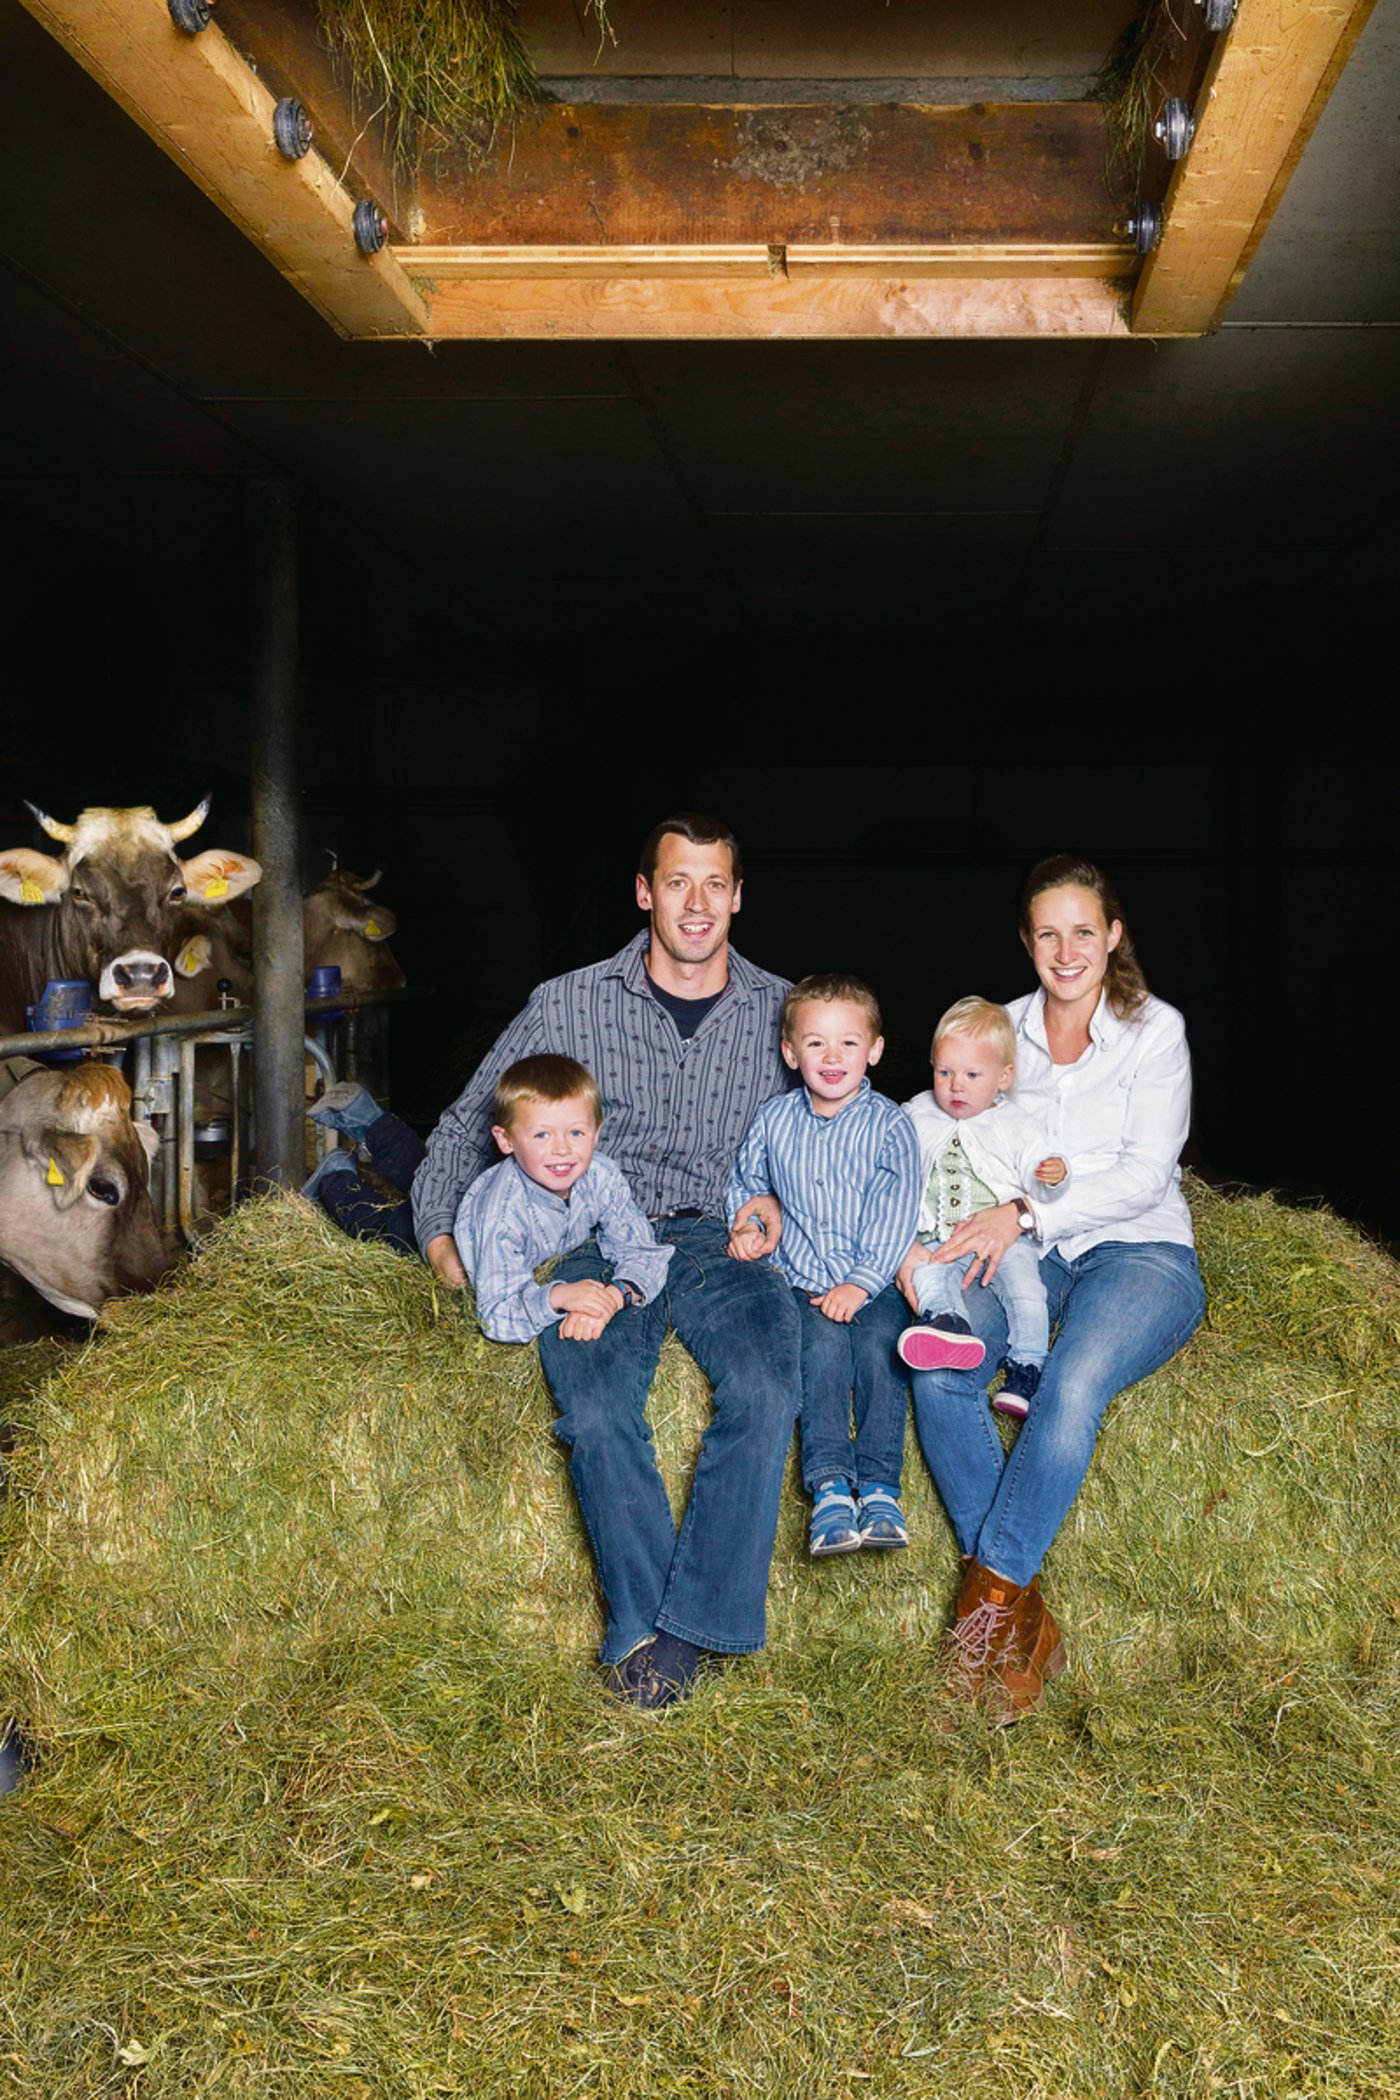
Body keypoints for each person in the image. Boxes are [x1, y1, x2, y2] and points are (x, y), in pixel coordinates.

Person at [411, 814, 798, 1711]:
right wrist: (439, 1239)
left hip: (718, 1238)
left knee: (769, 1387)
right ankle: (643, 1630)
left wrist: (782, 1201)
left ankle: (691, 1627)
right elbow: (468, 1127)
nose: (696, 903)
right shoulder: (567, 1003)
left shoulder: (784, 1010)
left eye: (714, 883)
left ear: (738, 897)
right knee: (594, 1410)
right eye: (677, 881)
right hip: (586, 1236)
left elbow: (838, 1131)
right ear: (643, 891)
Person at [900, 854, 1206, 1723]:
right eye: (1047, 934)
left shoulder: (1155, 1031)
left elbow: (1146, 1175)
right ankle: (1022, 1620)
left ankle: (984, 1617)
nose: (1066, 952)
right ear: (1027, 942)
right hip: (1027, 1253)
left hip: (1139, 1251)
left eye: (1082, 932)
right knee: (940, 1365)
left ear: (1113, 936)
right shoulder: (997, 1033)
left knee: (1069, 1384)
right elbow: (936, 1128)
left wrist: (1025, 1212)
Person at [727, 974, 920, 1556]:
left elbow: (896, 1209)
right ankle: (832, 1489)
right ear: (791, 1053)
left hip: (874, 1282)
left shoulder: (890, 1124)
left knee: (883, 1357)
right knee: (822, 1360)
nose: (832, 1057)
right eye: (816, 1043)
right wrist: (749, 1224)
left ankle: (880, 1489)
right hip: (805, 1281)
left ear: (875, 1050)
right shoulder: (774, 1119)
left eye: (848, 1043)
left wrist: (861, 1283)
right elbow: (748, 1183)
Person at [897, 996, 1069, 1421]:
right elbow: (890, 1160)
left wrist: (1052, 1176)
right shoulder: (917, 1112)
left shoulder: (1015, 1123)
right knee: (927, 1274)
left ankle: (1026, 1368)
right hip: (938, 1237)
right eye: (945, 1072)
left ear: (1003, 1077)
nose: (956, 1085)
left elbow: (1038, 1176)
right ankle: (947, 1324)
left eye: (972, 1075)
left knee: (1027, 1291)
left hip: (1002, 1242)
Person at [452, 1054, 673, 1344]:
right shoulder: (502, 1214)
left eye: (576, 1132)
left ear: (596, 1133)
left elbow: (644, 1251)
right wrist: (558, 1297)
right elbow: (496, 1317)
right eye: (542, 1135)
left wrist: (612, 1297)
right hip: (493, 1249)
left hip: (560, 1247)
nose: (562, 1149)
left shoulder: (601, 1174)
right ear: (506, 1140)